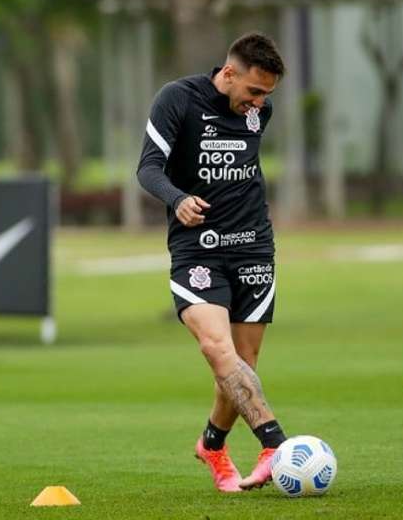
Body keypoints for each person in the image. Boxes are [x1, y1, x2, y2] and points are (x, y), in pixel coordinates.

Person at [136, 32, 288, 493]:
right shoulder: (177, 100)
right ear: (228, 73)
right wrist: (177, 199)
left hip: (254, 247)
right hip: (197, 249)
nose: (259, 102)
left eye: (267, 94)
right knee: (217, 351)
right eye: (253, 91)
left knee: (242, 365)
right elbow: (147, 168)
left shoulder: (258, 113)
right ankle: (274, 444)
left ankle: (212, 445)